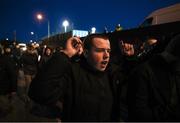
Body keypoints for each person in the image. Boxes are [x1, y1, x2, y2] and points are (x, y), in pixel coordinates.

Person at [28, 34, 123, 121]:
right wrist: (65, 54)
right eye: (99, 50)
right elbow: (39, 93)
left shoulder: (112, 74)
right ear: (86, 53)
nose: (106, 55)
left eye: (108, 51)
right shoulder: (72, 73)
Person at [127, 34, 180, 121]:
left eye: (154, 45)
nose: (151, 48)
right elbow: (138, 113)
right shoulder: (142, 71)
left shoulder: (171, 71)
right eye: (150, 46)